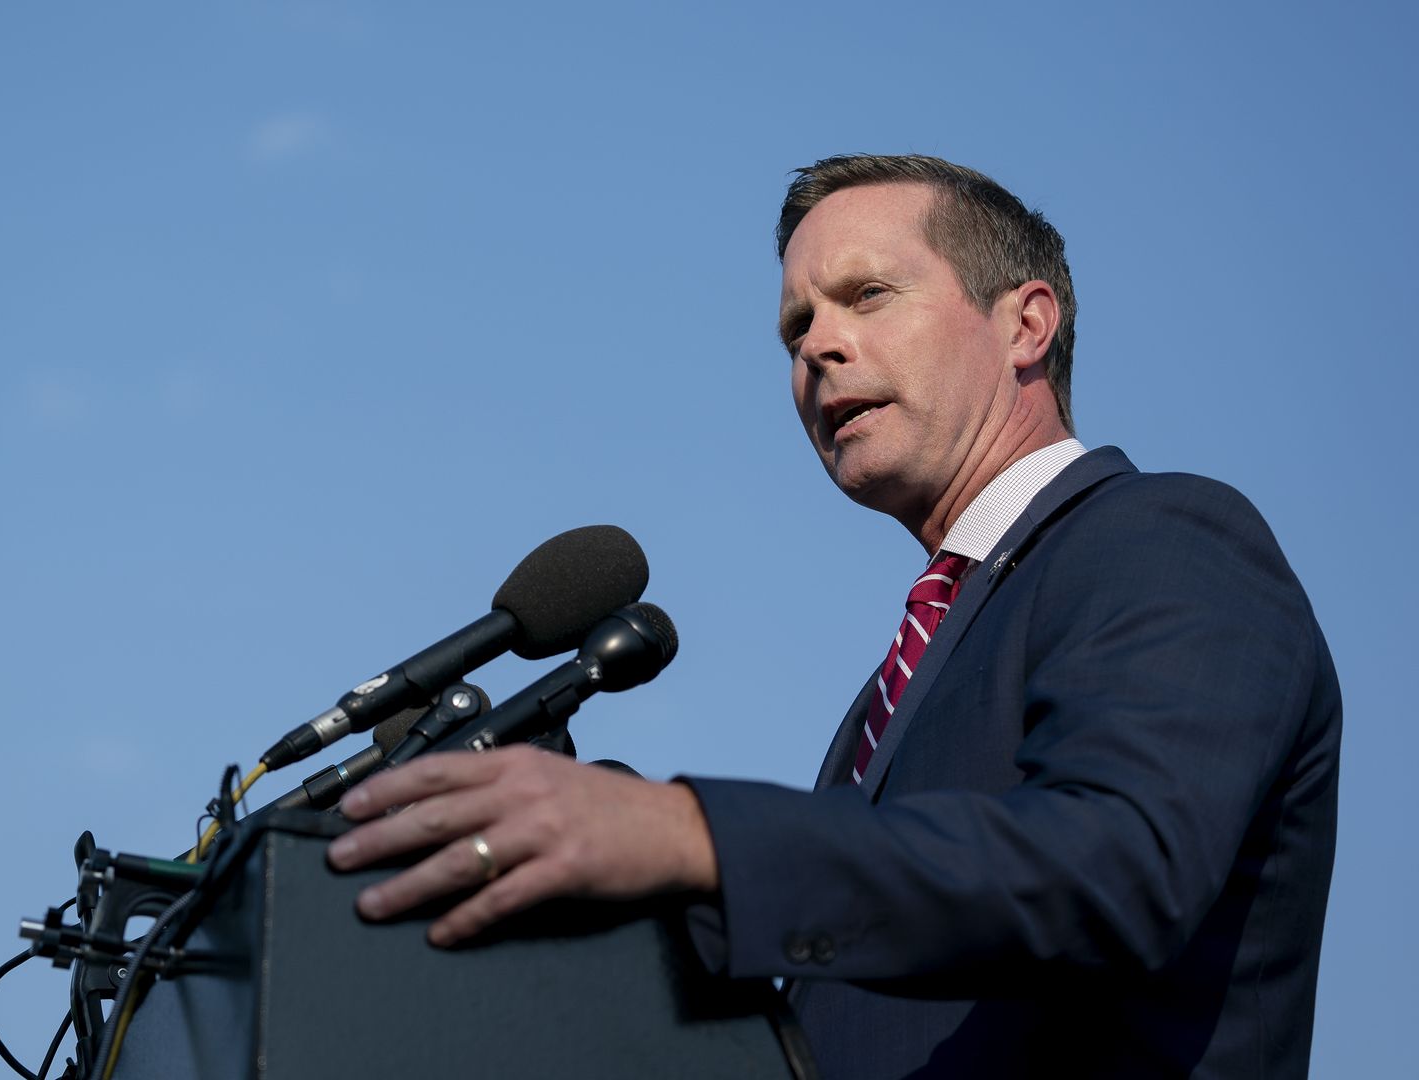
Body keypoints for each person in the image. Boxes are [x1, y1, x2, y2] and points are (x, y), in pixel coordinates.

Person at [324, 154, 1340, 1078]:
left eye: (866, 295)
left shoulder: (1163, 535)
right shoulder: (889, 696)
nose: (818, 345)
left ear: (1026, 324)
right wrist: (609, 884)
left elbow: (1116, 866)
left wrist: (690, 835)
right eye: (795, 327)